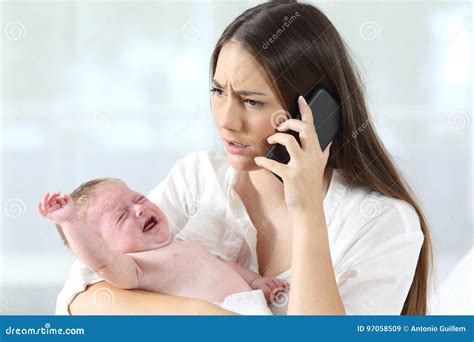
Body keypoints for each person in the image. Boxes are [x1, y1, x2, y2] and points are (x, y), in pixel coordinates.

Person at [61, 1, 431, 315]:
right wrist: (211, 318)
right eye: (219, 91)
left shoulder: (383, 223)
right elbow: (80, 300)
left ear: (317, 113)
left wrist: (307, 214)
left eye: (252, 102)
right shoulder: (197, 178)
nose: (225, 120)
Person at [39, 179, 289, 315]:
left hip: (252, 308)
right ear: (104, 245)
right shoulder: (136, 267)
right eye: (121, 216)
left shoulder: (181, 243)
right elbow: (100, 261)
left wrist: (255, 282)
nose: (139, 209)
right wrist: (69, 222)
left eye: (138, 198)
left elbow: (223, 266)